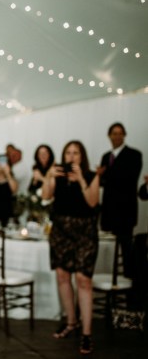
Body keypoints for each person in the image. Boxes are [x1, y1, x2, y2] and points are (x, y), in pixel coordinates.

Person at [42, 141, 99, 355]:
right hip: (60, 232)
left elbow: (92, 202)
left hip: (85, 233)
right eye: (68, 153)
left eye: (76, 153)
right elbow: (46, 196)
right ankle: (71, 322)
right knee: (62, 277)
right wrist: (48, 177)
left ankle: (87, 333)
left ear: (82, 156)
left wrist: (81, 179)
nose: (72, 156)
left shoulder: (91, 176)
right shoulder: (58, 175)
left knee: (83, 280)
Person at [98, 123, 143, 278]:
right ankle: (107, 278)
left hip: (125, 210)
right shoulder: (106, 157)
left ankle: (130, 282)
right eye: (114, 133)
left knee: (126, 248)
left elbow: (129, 179)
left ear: (124, 135)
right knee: (107, 246)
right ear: (109, 136)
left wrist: (105, 175)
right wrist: (99, 177)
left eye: (120, 133)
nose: (117, 136)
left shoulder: (134, 155)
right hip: (108, 209)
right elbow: (104, 183)